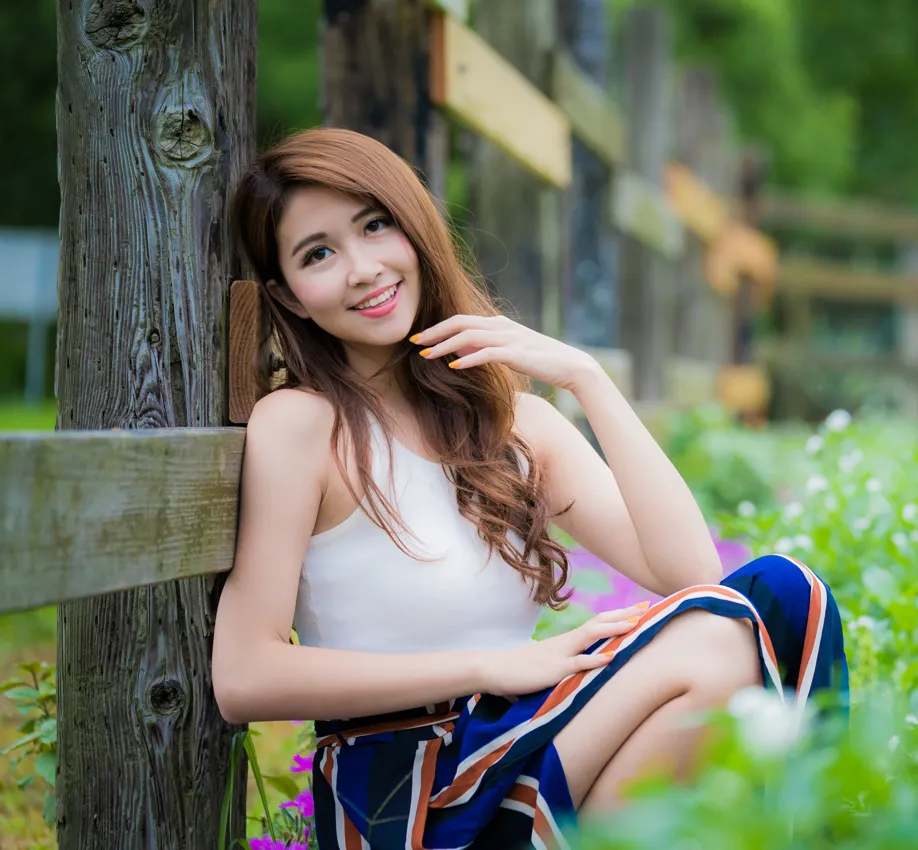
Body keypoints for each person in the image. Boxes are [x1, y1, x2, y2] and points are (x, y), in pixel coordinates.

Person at [211, 127, 848, 850]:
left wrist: (587, 378)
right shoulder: (302, 426)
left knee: (776, 597)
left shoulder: (517, 428)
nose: (361, 269)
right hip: (406, 788)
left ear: (415, 230)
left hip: (520, 754)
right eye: (317, 253)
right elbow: (244, 672)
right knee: (714, 645)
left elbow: (692, 575)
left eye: (374, 225)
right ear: (289, 299)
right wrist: (493, 665)